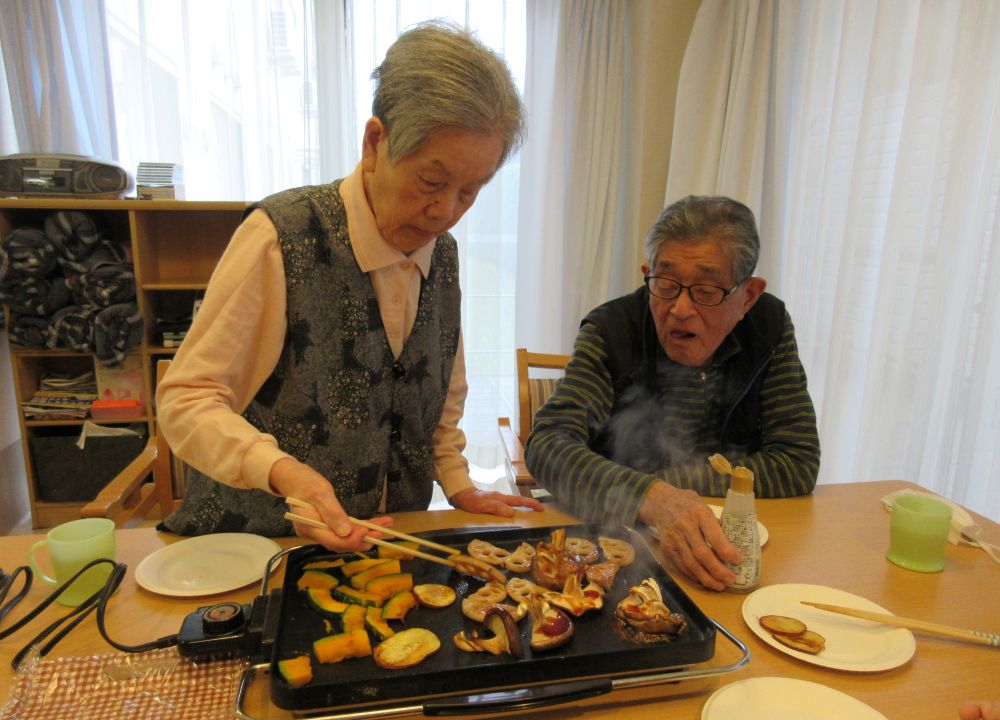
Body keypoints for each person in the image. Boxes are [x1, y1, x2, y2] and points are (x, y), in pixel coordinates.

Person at [157, 21, 542, 552]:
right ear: (375, 142)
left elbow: (440, 398)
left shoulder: (443, 253)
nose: (445, 212)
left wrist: (458, 484)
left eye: (469, 192)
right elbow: (186, 400)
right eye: (432, 182)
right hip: (257, 549)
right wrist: (286, 474)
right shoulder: (280, 237)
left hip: (385, 549)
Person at [525, 195, 820, 590]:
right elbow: (547, 445)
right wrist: (652, 498)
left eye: (706, 291)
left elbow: (797, 461)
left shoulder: (768, 329)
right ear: (648, 274)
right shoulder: (612, 331)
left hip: (736, 554)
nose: (680, 309)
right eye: (665, 285)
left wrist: (668, 488)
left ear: (747, 296)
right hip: (617, 559)